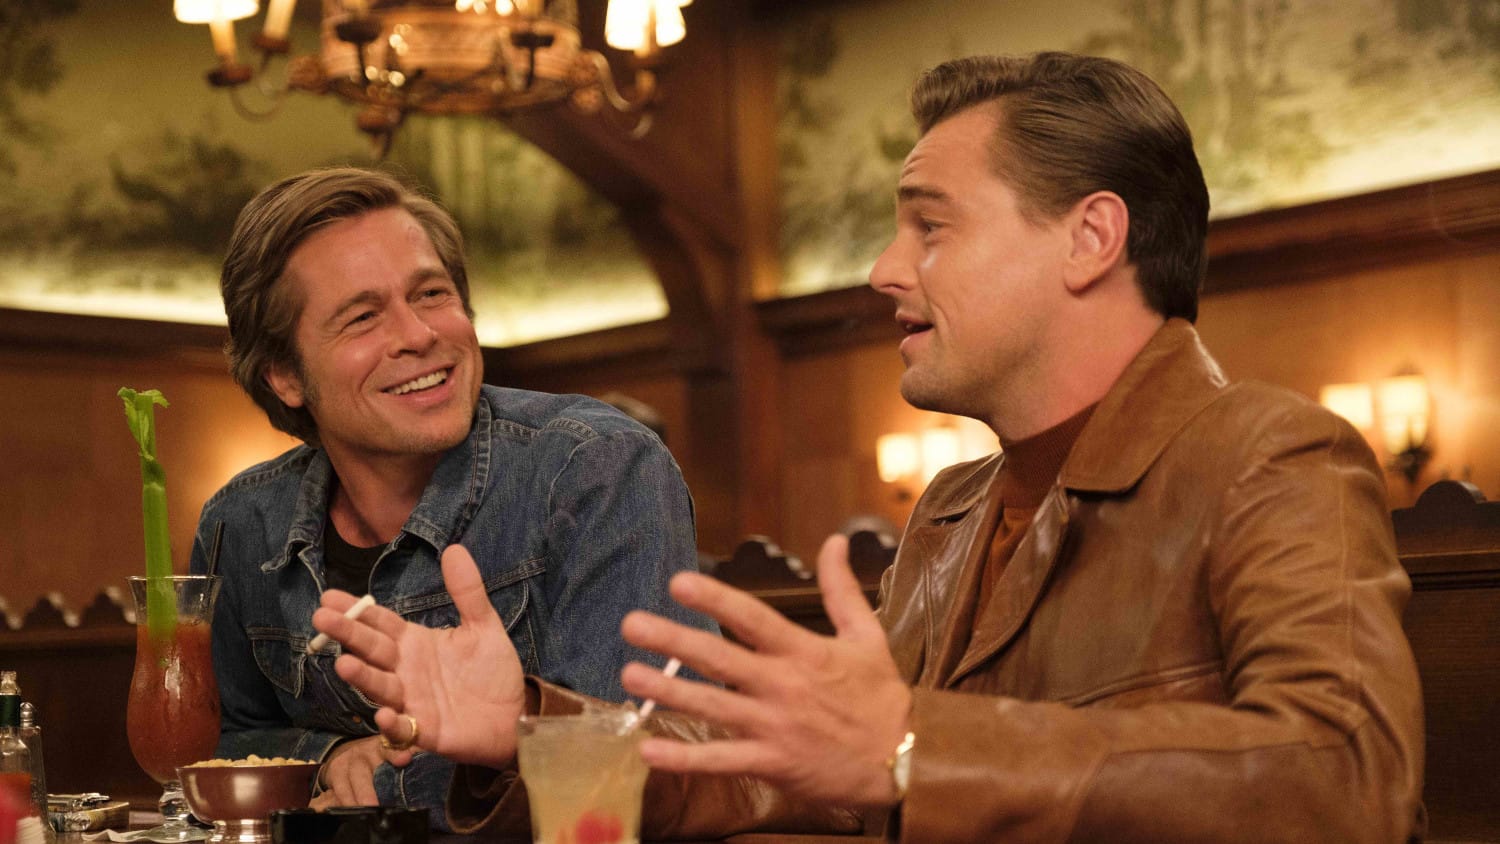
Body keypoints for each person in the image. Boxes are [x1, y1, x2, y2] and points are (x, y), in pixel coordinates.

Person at [312, 52, 1425, 842]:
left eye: (930, 225)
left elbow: (1350, 779)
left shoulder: (1273, 455)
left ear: (1092, 237)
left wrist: (911, 746)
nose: (886, 270)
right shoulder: (955, 507)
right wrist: (529, 728)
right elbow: (787, 771)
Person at [187, 167, 712, 829]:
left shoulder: (596, 469)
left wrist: (400, 770)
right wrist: (332, 757)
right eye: (362, 317)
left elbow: (656, 764)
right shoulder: (239, 523)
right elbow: (224, 747)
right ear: (285, 376)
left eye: (431, 294)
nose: (417, 334)